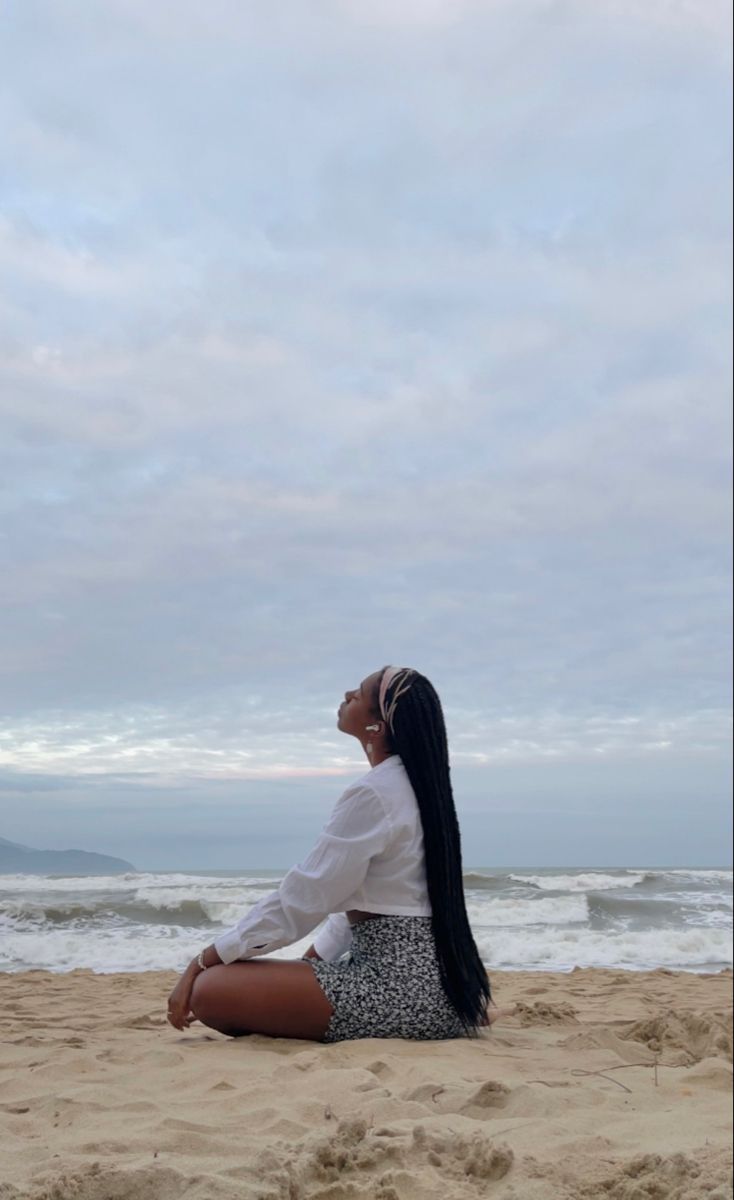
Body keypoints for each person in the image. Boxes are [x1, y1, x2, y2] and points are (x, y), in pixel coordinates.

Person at [166, 665, 496, 1041]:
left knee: (209, 988)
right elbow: (360, 896)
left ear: (379, 726)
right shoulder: (424, 788)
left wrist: (200, 962)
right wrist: (310, 965)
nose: (346, 695)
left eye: (358, 694)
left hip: (395, 992)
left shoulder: (376, 792)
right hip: (448, 994)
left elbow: (305, 897)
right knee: (242, 981)